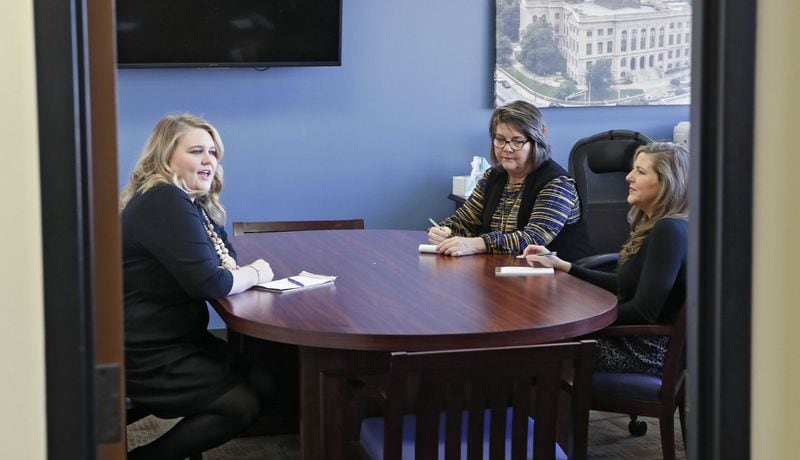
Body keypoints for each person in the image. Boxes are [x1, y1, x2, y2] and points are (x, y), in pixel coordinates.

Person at [121, 114, 275, 459]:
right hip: (147, 349)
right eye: (196, 151)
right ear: (165, 157)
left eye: (213, 152)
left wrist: (239, 270)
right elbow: (211, 281)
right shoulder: (164, 200)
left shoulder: (187, 200)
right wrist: (257, 273)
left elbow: (225, 257)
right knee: (241, 404)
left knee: (266, 382)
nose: (209, 160)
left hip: (176, 338)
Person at [523, 142, 689, 375]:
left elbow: (644, 312)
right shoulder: (659, 226)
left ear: (666, 183)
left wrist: (577, 315)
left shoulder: (669, 230)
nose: (628, 177)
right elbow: (622, 283)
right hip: (631, 338)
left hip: (644, 350)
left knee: (532, 351)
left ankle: (536, 410)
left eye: (640, 172)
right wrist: (564, 266)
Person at [428, 100, 593, 260]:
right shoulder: (492, 177)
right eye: (500, 140)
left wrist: (478, 243)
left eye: (517, 141)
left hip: (561, 279)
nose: (507, 148)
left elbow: (532, 239)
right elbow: (464, 221)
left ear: (538, 141)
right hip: (507, 273)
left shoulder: (558, 184)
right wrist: (445, 230)